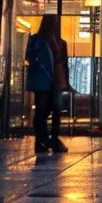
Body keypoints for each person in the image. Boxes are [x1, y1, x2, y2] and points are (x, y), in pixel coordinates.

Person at [25, 16, 69, 154]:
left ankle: (47, 140)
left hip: (52, 81)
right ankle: (44, 140)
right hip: (45, 80)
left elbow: (63, 63)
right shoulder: (39, 41)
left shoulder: (59, 43)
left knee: (50, 111)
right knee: (44, 111)